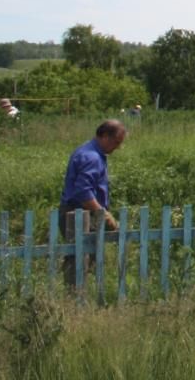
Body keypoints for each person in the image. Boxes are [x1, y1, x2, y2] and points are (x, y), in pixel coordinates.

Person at [59, 120, 126, 284]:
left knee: (82, 258)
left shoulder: (88, 151)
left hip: (78, 212)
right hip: (79, 215)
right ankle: (74, 299)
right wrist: (103, 214)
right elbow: (83, 192)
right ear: (104, 136)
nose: (117, 147)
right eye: (116, 142)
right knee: (80, 260)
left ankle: (76, 297)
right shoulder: (92, 157)